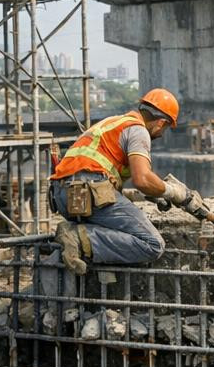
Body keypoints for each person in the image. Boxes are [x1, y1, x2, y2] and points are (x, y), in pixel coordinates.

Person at [48, 88, 197, 273]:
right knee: (152, 244)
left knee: (114, 230)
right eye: (165, 128)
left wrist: (148, 195)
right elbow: (142, 179)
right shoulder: (138, 130)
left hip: (63, 195)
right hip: (87, 191)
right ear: (161, 122)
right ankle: (77, 236)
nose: (161, 133)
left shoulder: (114, 123)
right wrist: (173, 192)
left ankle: (79, 236)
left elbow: (105, 182)